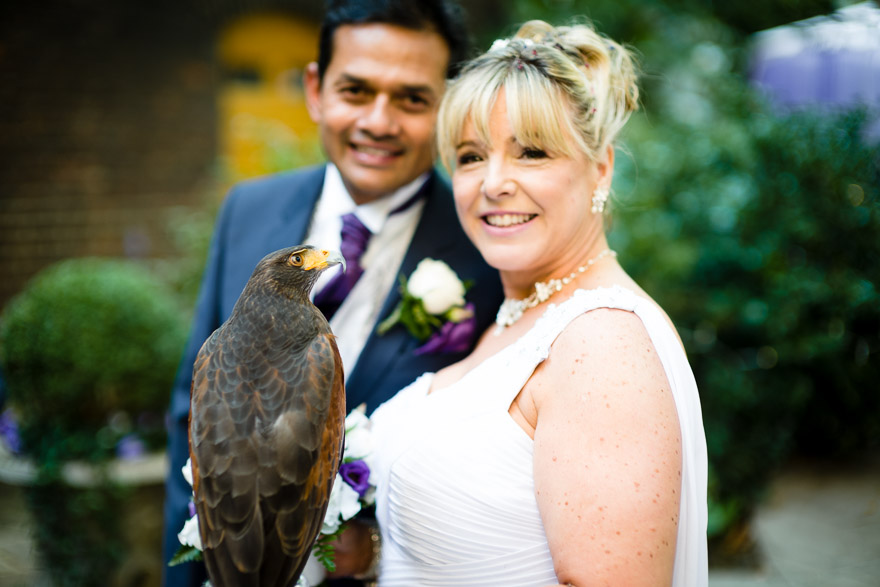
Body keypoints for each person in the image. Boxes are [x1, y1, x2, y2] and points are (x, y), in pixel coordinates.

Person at [161, 1, 504, 585]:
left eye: (412, 98)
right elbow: (189, 426)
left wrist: (373, 552)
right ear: (316, 89)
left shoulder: (490, 251)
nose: (379, 121)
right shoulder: (248, 211)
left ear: (448, 107)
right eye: (356, 90)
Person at [369, 19, 709, 586]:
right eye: (471, 156)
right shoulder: (521, 317)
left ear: (600, 168)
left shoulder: (604, 345)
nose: (493, 182)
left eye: (530, 152)